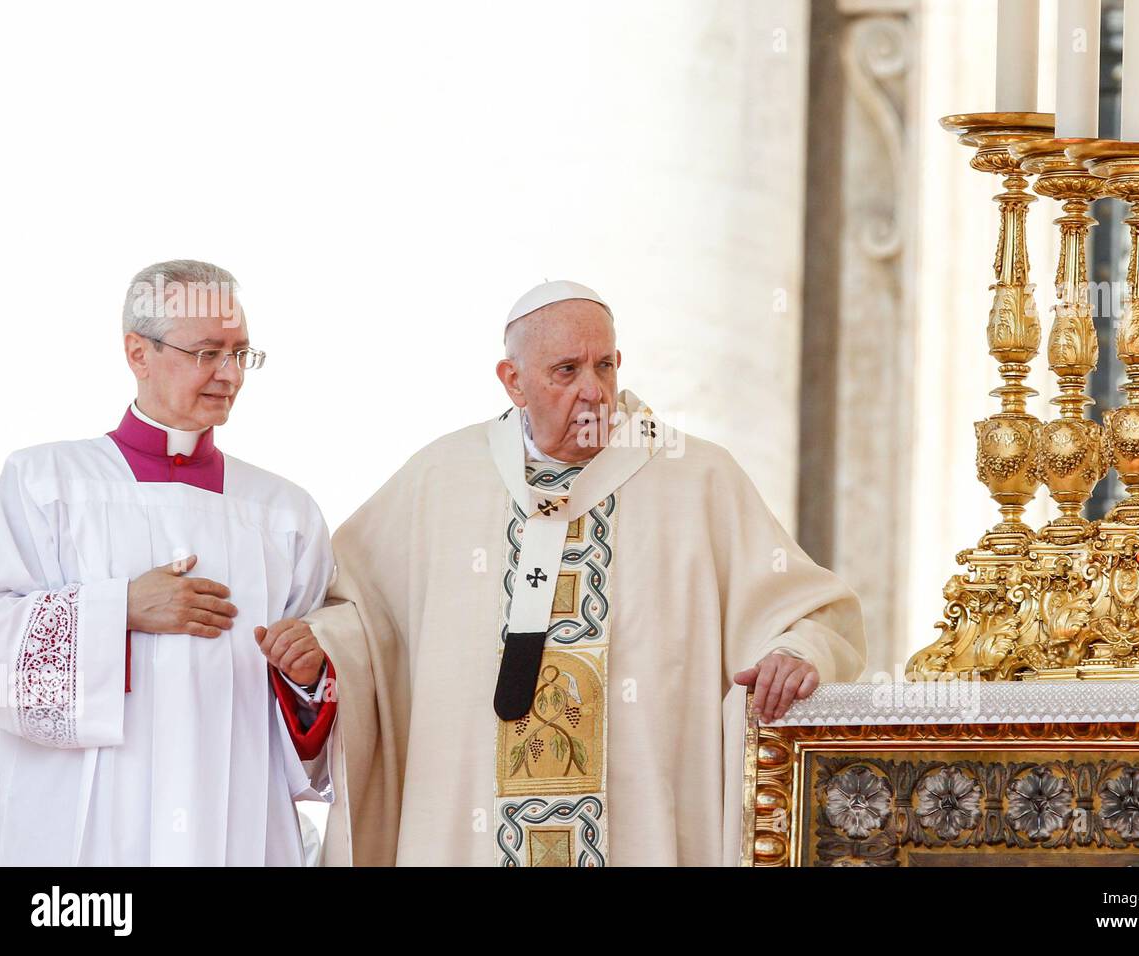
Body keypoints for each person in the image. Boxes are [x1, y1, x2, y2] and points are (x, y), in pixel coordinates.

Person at [295, 279, 866, 866]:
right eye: (566, 371)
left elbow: (812, 613)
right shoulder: (441, 480)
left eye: (604, 366)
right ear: (513, 381)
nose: (593, 391)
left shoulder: (696, 479)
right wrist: (322, 650)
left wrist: (795, 652)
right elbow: (359, 616)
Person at [0, 259, 337, 865]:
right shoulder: (45, 483)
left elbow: (323, 679)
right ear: (137, 353)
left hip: (236, 815)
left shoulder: (285, 514)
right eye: (206, 352)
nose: (230, 374)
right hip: (85, 825)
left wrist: (308, 674)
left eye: (241, 353)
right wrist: (119, 607)